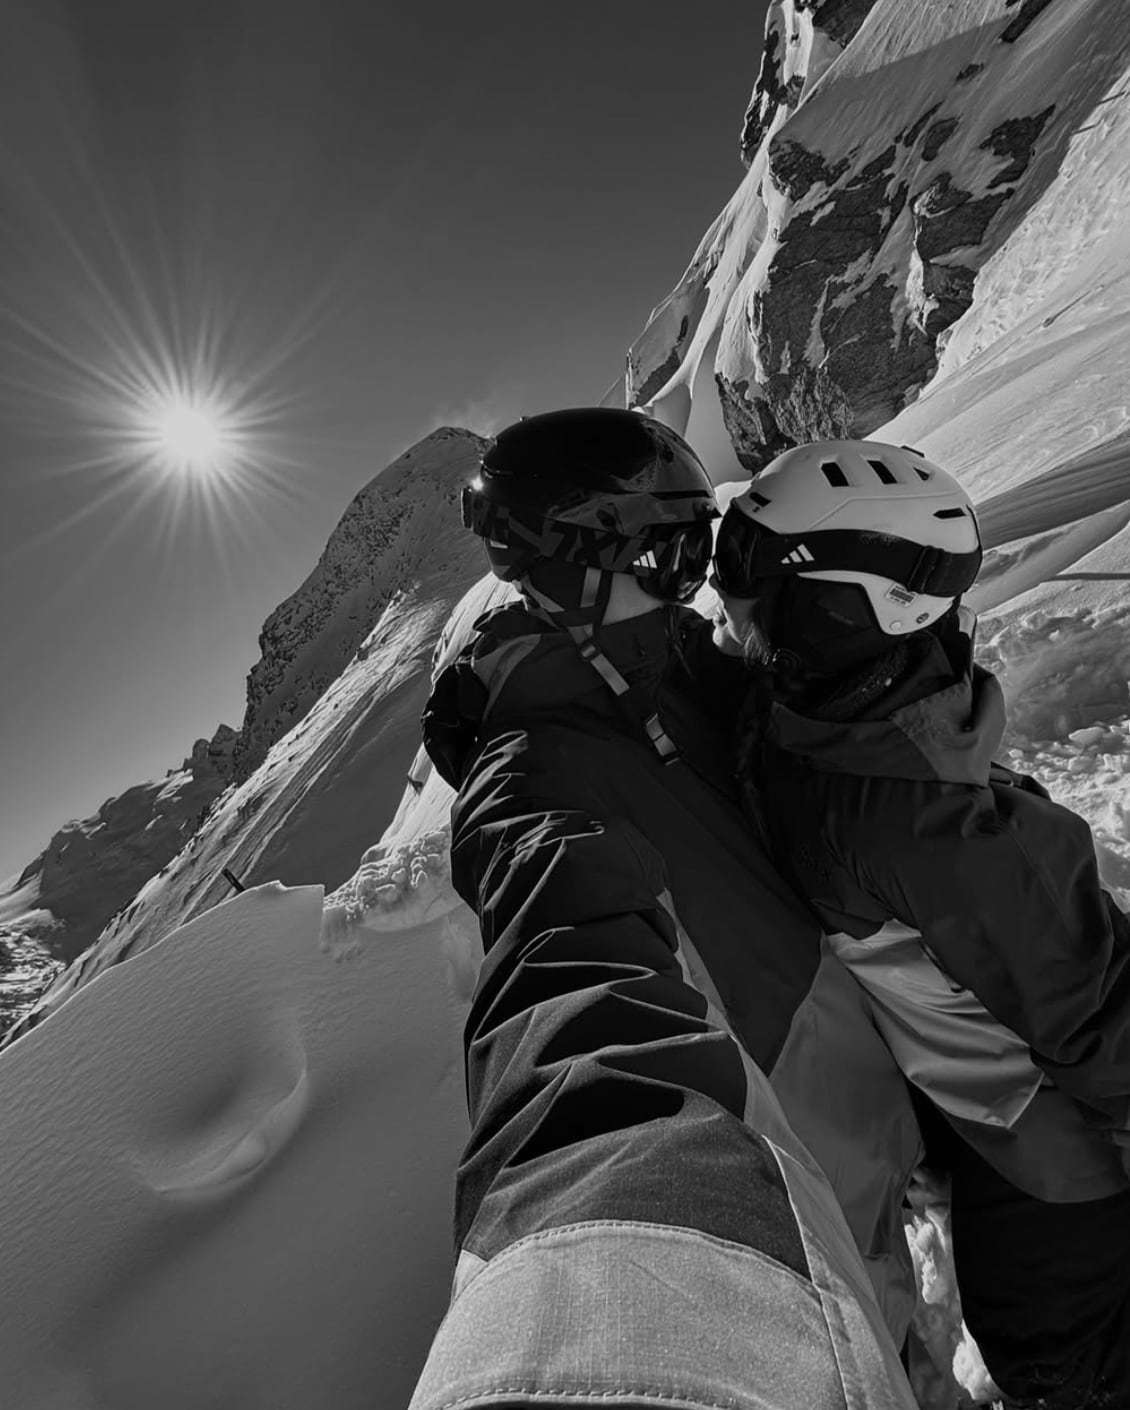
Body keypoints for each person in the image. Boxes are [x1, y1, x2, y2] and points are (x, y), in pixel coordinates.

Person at [409, 408, 919, 1409]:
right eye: (670, 552)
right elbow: (567, 976)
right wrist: (622, 1250)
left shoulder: (672, 665)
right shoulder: (534, 775)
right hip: (780, 1189)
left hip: (865, 1109)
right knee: (872, 1346)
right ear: (578, 563)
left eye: (700, 548)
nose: (697, 577)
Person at [710, 436, 1130, 1410]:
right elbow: (1093, 1014)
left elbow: (1082, 1005)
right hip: (1022, 1147)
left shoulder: (860, 780)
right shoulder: (876, 766)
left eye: (754, 593)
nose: (733, 621)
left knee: (1064, 1366)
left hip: (1024, 1151)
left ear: (845, 610)